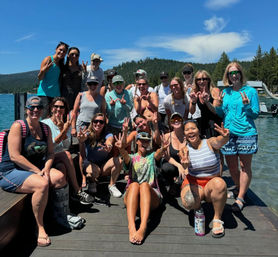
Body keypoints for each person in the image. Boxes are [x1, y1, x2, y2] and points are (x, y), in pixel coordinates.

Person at [0, 96, 69, 247]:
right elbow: (14, 156)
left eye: (38, 108)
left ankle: (60, 216)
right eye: (32, 108)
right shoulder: (19, 126)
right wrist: (38, 171)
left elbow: (51, 153)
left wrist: (46, 168)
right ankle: (39, 227)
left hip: (36, 170)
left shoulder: (45, 129)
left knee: (59, 178)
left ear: (43, 110)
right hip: (11, 172)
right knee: (42, 184)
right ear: (26, 110)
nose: (35, 110)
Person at [215, 62, 260, 212]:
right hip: (228, 134)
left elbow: (255, 114)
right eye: (230, 73)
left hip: (246, 133)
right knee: (233, 168)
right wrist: (219, 105)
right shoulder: (226, 92)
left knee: (244, 167)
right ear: (227, 76)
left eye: (236, 72)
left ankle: (240, 198)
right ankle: (242, 189)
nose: (234, 75)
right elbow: (222, 114)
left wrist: (247, 105)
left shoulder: (250, 91)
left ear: (241, 74)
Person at [115, 131, 169, 244]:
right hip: (132, 196)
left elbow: (158, 154)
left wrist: (163, 148)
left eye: (147, 141)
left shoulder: (152, 156)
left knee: (144, 185)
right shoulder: (132, 157)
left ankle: (143, 227)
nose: (144, 142)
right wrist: (121, 149)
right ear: (137, 142)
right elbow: (125, 157)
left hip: (150, 195)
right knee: (134, 185)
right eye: (142, 140)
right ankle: (132, 226)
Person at [180, 121, 229, 238]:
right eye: (187, 130)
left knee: (220, 184)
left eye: (193, 128)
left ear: (199, 130)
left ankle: (217, 218)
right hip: (193, 182)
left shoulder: (209, 142)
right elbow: (185, 167)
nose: (190, 131)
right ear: (184, 134)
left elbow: (219, 141)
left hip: (211, 183)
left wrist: (225, 137)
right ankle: (198, 208)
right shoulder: (184, 150)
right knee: (188, 201)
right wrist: (185, 164)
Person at [42, 97, 94, 205]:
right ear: (51, 108)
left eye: (61, 107)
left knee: (62, 167)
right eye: (56, 106)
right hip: (46, 158)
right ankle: (77, 191)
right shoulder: (45, 124)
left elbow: (66, 145)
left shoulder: (66, 124)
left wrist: (63, 129)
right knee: (66, 155)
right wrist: (63, 132)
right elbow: (49, 147)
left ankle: (63, 204)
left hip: (58, 158)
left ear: (65, 110)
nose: (58, 109)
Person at [77, 113, 123, 198]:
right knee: (92, 172)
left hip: (103, 166)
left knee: (119, 160)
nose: (98, 124)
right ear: (92, 122)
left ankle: (112, 185)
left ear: (104, 124)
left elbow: (109, 140)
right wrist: (81, 140)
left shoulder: (107, 134)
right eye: (96, 121)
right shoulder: (88, 133)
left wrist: (109, 145)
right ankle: (92, 181)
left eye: (101, 122)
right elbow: (84, 138)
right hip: (90, 164)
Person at [37, 41, 69, 117]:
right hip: (44, 94)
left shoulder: (61, 64)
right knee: (45, 118)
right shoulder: (48, 59)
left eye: (64, 51)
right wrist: (43, 71)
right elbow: (40, 78)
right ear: (56, 49)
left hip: (56, 95)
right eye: (60, 50)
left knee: (54, 117)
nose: (61, 52)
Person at [189, 70, 222, 138]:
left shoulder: (214, 90)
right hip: (203, 123)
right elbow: (192, 111)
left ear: (208, 80)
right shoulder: (195, 92)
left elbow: (216, 111)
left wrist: (207, 102)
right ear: (196, 81)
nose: (201, 81)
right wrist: (194, 102)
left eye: (204, 79)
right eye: (198, 79)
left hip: (215, 123)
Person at [160, 112, 187, 196]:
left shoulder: (187, 136)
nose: (176, 121)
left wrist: (185, 167)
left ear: (182, 121)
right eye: (173, 120)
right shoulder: (167, 136)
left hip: (186, 164)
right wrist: (179, 166)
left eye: (179, 119)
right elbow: (167, 157)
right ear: (170, 123)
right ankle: (171, 184)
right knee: (166, 167)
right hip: (173, 165)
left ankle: (183, 184)